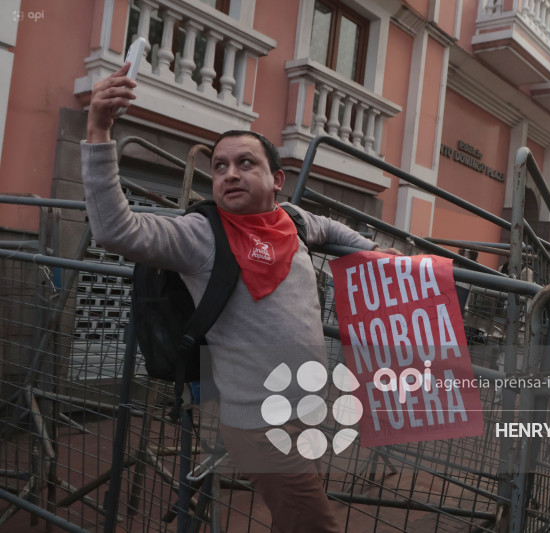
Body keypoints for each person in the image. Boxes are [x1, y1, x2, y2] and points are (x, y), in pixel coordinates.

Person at [83, 63, 400, 532]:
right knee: (317, 526)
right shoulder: (198, 234)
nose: (230, 174)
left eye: (245, 163)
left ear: (276, 180)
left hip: (309, 406)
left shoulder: (291, 220)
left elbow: (330, 227)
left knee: (292, 518)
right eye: (220, 166)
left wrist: (373, 252)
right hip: (259, 423)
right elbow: (114, 229)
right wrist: (99, 128)